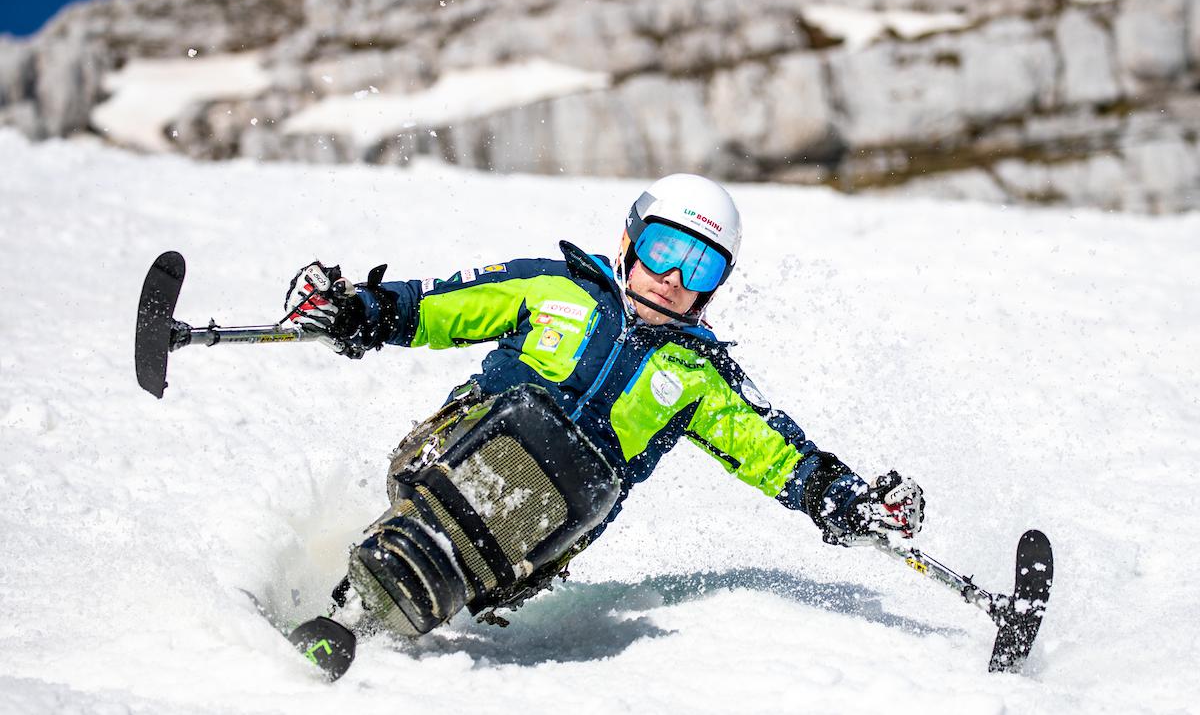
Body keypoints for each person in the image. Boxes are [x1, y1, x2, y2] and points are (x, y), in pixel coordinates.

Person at [283, 174, 925, 634]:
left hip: (538, 530)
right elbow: (439, 306)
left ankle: (387, 616)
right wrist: (362, 310)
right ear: (629, 240)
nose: (673, 279)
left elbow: (771, 447)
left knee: (590, 473)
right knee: (526, 419)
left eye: (699, 269)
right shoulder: (553, 286)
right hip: (451, 461)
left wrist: (843, 498)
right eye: (664, 251)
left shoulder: (698, 373)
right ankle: (343, 607)